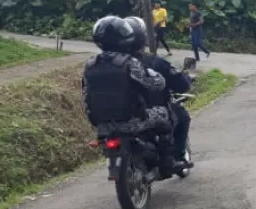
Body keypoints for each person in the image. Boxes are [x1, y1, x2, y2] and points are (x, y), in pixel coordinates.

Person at [81, 15, 183, 178]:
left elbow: (85, 95)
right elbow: (154, 84)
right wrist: (157, 76)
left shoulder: (90, 64)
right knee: (167, 116)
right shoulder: (128, 62)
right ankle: (167, 162)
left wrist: (95, 121)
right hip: (132, 121)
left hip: (102, 126)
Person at [124, 16, 193, 165]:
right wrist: (186, 79)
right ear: (142, 38)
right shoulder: (153, 62)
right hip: (147, 113)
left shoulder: (110, 64)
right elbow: (180, 84)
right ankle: (176, 158)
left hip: (118, 117)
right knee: (182, 117)